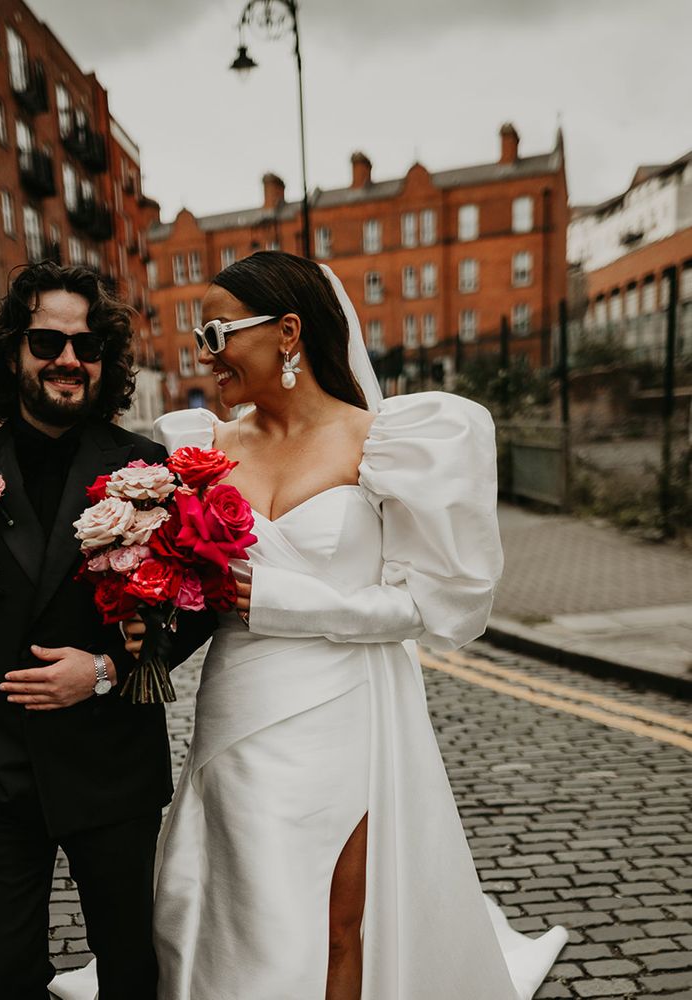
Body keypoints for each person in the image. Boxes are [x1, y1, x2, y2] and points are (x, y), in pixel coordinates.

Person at [51, 251, 568, 1000]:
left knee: (338, 920)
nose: (205, 351)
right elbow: (181, 594)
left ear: (288, 331)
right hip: (242, 706)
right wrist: (138, 611)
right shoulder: (197, 450)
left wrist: (282, 602)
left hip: (346, 709)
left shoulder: (391, 442)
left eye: (218, 330)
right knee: (241, 908)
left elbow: (427, 606)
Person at [0, 261, 214, 1000]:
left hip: (111, 762)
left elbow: (198, 603)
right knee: (8, 973)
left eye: (86, 345)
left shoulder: (146, 468)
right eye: (47, 341)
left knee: (131, 972)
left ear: (105, 361)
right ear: (14, 352)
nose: (68, 360)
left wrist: (107, 670)